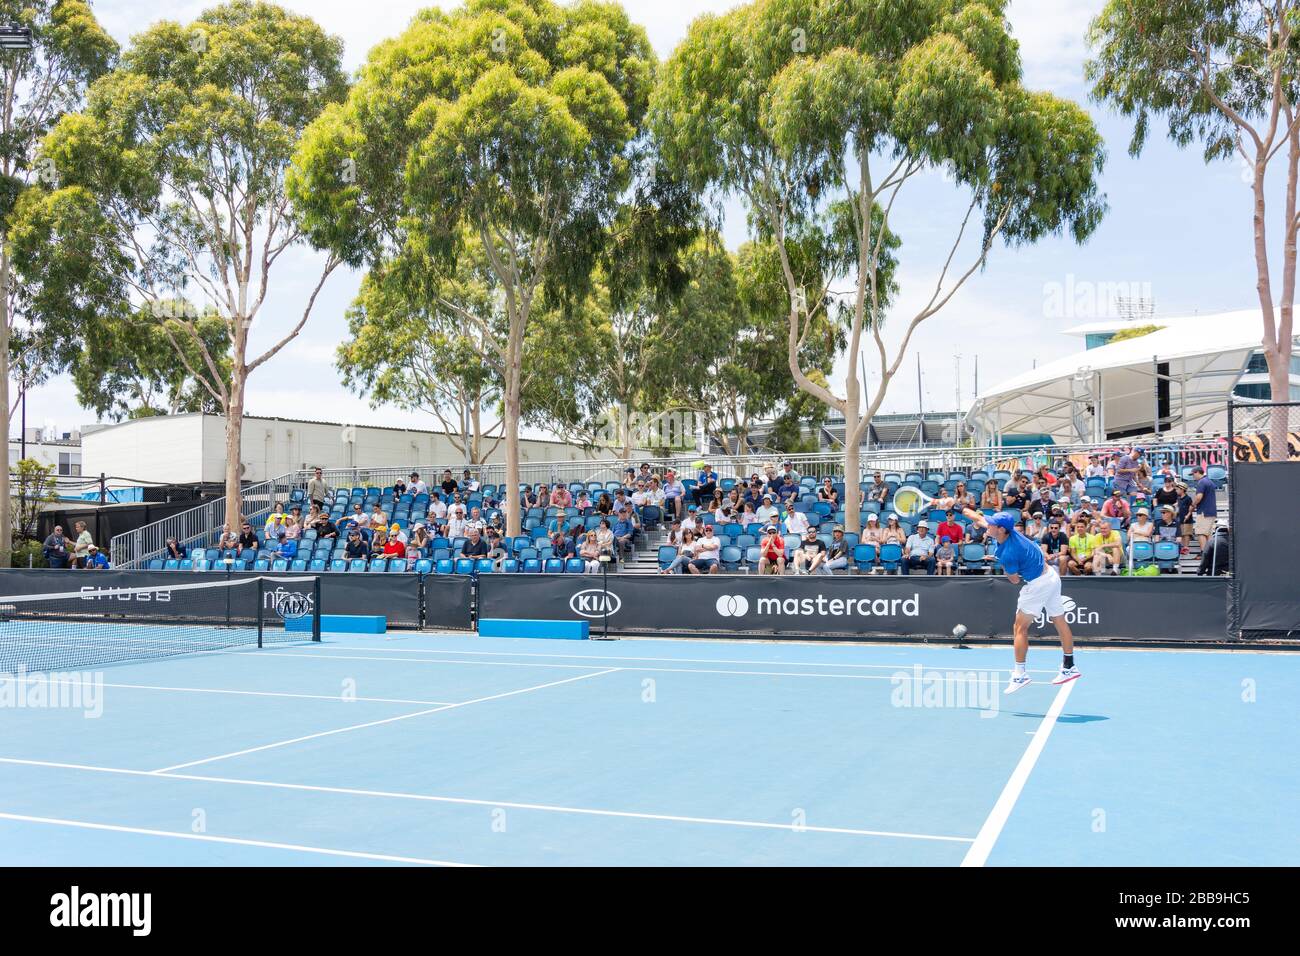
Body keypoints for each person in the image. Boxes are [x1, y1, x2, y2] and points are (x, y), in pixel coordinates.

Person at [961, 509, 1079, 692]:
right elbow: (977, 517)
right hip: (1051, 576)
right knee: (1059, 620)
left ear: (1000, 530)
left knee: (1019, 628)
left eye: (991, 524)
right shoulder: (1010, 532)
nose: (986, 525)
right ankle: (1069, 666)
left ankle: (1020, 674)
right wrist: (957, 507)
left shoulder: (1008, 553)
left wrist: (1002, 564)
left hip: (1038, 584)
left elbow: (1015, 580)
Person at [1189, 465, 1218, 551]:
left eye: (1193, 474)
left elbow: (1199, 497)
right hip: (1211, 512)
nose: (1193, 476)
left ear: (1197, 472)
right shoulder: (1209, 481)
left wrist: (1192, 505)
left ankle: (1204, 554)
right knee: (1208, 534)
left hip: (1204, 512)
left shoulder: (1201, 482)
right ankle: (1210, 555)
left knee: (1201, 533)